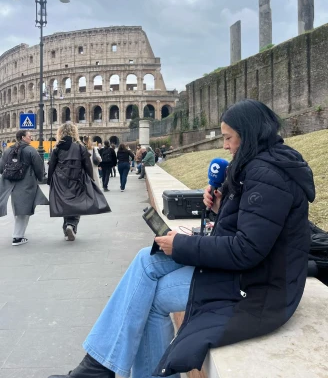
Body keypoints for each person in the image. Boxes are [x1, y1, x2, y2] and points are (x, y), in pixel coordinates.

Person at [49, 99, 315, 378]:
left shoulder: (267, 174)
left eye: (228, 138)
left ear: (248, 135)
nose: (224, 146)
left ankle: (96, 369)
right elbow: (252, 227)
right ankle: (96, 368)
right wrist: (220, 207)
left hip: (258, 286)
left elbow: (246, 249)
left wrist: (181, 245)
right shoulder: (259, 165)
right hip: (247, 273)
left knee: (150, 298)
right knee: (146, 258)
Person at [47, 123, 110, 241]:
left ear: (60, 133)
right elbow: (87, 163)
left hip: (61, 179)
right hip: (77, 177)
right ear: (74, 132)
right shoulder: (80, 146)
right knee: (77, 202)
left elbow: (52, 165)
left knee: (65, 203)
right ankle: (72, 225)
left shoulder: (57, 147)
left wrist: (50, 179)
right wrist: (90, 178)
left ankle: (67, 227)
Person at [0, 130, 49, 246]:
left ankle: (18, 234)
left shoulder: (8, 150)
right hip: (25, 183)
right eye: (29, 136)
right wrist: (40, 177)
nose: (31, 138)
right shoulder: (30, 150)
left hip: (10, 183)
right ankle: (17, 237)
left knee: (18, 207)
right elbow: (39, 166)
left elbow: (1, 167)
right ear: (23, 137)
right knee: (24, 209)